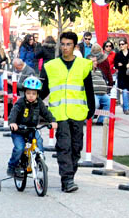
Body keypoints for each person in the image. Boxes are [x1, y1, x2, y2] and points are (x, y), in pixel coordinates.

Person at [40, 31, 95, 193]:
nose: (65, 48)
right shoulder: (51, 66)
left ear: (74, 46)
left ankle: (70, 175)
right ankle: (67, 180)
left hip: (78, 112)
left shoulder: (84, 65)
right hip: (59, 114)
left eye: (68, 44)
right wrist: (31, 102)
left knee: (76, 147)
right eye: (62, 44)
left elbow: (89, 89)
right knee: (64, 147)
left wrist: (90, 110)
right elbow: (44, 91)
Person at [6, 76, 57, 176]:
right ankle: (11, 166)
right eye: (28, 93)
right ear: (24, 93)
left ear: (37, 94)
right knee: (19, 148)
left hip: (32, 130)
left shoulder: (39, 103)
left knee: (39, 142)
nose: (31, 96)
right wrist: (12, 123)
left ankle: (40, 161)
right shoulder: (20, 102)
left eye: (34, 94)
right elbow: (14, 112)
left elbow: (46, 113)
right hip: (19, 130)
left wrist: (52, 121)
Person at [114, 38, 129, 115]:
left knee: (128, 92)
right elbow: (116, 65)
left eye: (122, 44)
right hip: (122, 76)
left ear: (126, 44)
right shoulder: (118, 54)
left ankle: (125, 106)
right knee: (125, 91)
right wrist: (125, 65)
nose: (121, 45)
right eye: (120, 44)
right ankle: (126, 108)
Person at [88, 54, 111, 125]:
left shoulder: (99, 70)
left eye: (96, 61)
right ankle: (88, 120)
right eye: (93, 61)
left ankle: (102, 120)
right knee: (95, 104)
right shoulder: (86, 71)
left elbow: (104, 79)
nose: (95, 62)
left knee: (109, 102)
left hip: (103, 93)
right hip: (93, 94)